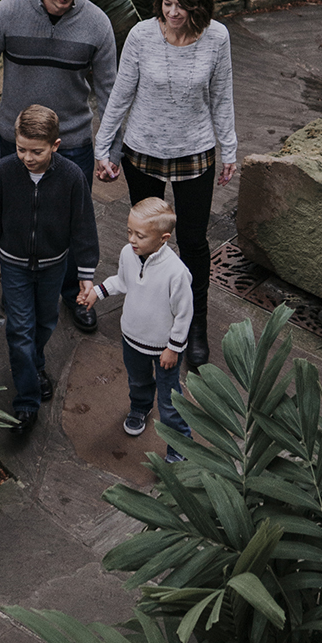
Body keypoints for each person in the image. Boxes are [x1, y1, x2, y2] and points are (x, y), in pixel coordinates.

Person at [0, 0, 117, 333]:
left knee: (69, 220)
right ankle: (15, 285)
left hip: (75, 142)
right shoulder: (8, 12)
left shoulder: (97, 24)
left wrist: (109, 147)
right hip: (18, 140)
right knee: (16, 213)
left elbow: (109, 91)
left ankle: (71, 292)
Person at [93, 0, 236, 368]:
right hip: (143, 155)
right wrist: (105, 149)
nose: (172, 13)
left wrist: (230, 148)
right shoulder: (141, 35)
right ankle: (147, 313)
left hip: (196, 153)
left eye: (181, 6)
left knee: (192, 243)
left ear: (198, 5)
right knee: (145, 239)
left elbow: (222, 97)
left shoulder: (217, 38)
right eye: (167, 3)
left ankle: (195, 327)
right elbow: (120, 95)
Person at [0, 105, 98, 434]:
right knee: (19, 331)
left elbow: (84, 226)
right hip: (14, 266)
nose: (27, 158)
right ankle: (27, 402)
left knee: (44, 323)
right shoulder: (2, 174)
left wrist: (86, 273)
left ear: (55, 146)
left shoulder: (72, 177)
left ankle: (37, 364)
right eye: (21, 149)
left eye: (36, 151)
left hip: (53, 267)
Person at [79, 197, 195, 463]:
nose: (132, 239)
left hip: (164, 349)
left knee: (169, 402)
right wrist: (97, 292)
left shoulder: (176, 273)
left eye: (140, 235)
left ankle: (180, 448)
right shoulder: (127, 254)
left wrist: (173, 348)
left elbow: (184, 314)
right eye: (129, 231)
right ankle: (140, 408)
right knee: (138, 381)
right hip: (132, 338)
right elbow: (122, 281)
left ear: (163, 238)